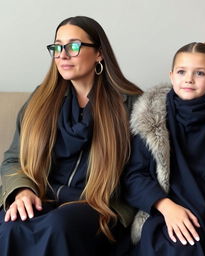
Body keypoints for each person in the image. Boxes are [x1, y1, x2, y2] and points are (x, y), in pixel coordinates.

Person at [0, 16, 142, 256]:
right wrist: (22, 191)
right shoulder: (39, 101)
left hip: (98, 204)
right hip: (42, 196)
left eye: (73, 46)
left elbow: (139, 173)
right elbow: (14, 159)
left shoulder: (130, 104)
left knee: (59, 226)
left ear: (99, 53)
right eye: (57, 47)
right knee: (11, 224)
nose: (62, 55)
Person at [123, 37, 205, 255]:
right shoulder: (152, 117)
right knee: (177, 246)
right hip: (171, 204)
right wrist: (165, 206)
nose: (189, 79)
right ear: (171, 76)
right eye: (182, 72)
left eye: (200, 73)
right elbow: (134, 175)